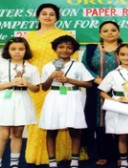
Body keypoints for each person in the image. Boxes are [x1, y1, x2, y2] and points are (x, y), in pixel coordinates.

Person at [24, 3, 80, 165]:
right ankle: (38, 155)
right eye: (44, 13)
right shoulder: (29, 36)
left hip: (61, 82)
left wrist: (65, 78)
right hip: (38, 82)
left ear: (57, 17)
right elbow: (24, 60)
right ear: (38, 16)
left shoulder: (65, 35)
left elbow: (73, 60)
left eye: (52, 14)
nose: (48, 16)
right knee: (39, 118)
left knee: (63, 116)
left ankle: (64, 154)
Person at [39, 35, 94, 168]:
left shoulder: (78, 65)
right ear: (55, 49)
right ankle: (52, 160)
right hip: (54, 97)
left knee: (74, 129)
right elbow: (44, 87)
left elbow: (88, 84)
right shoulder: (48, 66)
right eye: (61, 47)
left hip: (73, 96)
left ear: (73, 50)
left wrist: (68, 80)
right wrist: (51, 77)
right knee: (51, 129)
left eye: (69, 48)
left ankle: (74, 159)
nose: (65, 50)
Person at [0, 37, 40, 168]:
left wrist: (27, 83)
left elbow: (36, 88)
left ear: (26, 50)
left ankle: (14, 163)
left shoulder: (31, 68)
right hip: (4, 100)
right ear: (8, 51)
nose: (17, 52)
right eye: (13, 49)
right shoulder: (0, 67)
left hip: (22, 99)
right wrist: (10, 83)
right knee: (3, 135)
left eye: (21, 49)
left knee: (17, 133)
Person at [81, 20, 122, 166]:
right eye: (105, 31)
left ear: (118, 32)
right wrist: (98, 80)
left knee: (120, 121)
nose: (109, 33)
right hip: (97, 90)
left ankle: (120, 155)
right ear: (100, 34)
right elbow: (84, 66)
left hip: (121, 90)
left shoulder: (125, 48)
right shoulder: (92, 49)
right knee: (100, 121)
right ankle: (103, 153)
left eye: (113, 30)